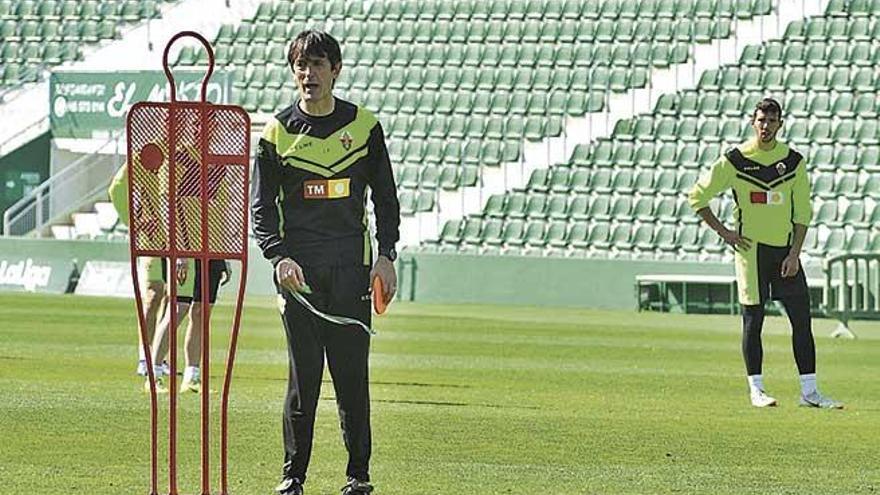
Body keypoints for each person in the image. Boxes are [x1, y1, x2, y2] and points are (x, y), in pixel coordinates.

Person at [251, 30, 400, 495]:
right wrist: (278, 257)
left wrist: (387, 256)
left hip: (352, 271)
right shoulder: (276, 133)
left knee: (352, 379)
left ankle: (358, 476)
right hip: (301, 277)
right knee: (304, 380)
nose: (308, 74)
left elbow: (386, 200)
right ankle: (292, 477)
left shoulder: (365, 127)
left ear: (335, 69)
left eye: (317, 64)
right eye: (300, 65)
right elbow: (260, 208)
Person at [688, 97, 841, 409]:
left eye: (772, 121)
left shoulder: (795, 161)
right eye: (761, 120)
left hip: (785, 253)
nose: (766, 126)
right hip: (751, 252)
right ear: (752, 122)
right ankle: (756, 390)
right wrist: (725, 233)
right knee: (753, 320)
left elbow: (803, 213)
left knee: (801, 319)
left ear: (780, 124)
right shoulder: (735, 159)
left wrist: (795, 253)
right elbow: (697, 197)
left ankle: (809, 392)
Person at [108, 163, 167, 377]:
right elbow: (117, 188)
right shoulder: (147, 152)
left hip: (180, 237)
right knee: (153, 294)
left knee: (174, 299)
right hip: (152, 238)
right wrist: (136, 222)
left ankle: (159, 356)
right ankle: (144, 356)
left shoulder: (185, 151)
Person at [146, 257, 229, 393]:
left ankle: (192, 377)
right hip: (185, 252)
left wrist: (224, 257)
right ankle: (154, 374)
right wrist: (180, 256)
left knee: (202, 312)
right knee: (177, 309)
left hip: (211, 252)